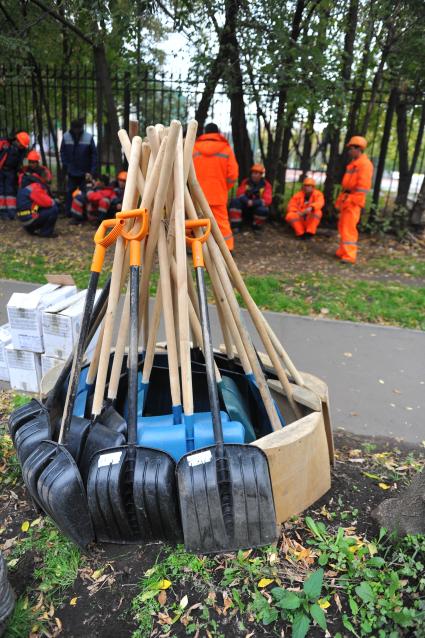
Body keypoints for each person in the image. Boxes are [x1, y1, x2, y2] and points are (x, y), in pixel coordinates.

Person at [193, 123, 238, 250]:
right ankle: (227, 247)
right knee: (221, 222)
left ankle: (196, 247)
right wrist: (224, 187)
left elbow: (187, 171)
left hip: (198, 194)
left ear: (205, 133)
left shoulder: (194, 148)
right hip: (218, 193)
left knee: (197, 220)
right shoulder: (226, 149)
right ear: (217, 132)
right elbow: (233, 174)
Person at [335, 136, 374, 264]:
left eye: (351, 149)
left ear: (358, 149)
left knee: (349, 228)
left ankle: (349, 255)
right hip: (348, 199)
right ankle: (343, 251)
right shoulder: (354, 164)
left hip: (352, 202)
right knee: (343, 227)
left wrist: (352, 201)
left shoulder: (364, 165)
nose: (349, 151)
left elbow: (363, 187)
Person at [60, 118, 97, 217]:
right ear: (72, 128)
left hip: (85, 172)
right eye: (75, 128)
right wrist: (66, 165)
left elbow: (94, 155)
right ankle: (68, 213)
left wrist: (91, 172)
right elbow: (62, 152)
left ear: (81, 128)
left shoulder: (88, 137)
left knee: (84, 193)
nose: (77, 130)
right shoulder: (66, 136)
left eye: (78, 128)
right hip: (71, 171)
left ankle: (83, 214)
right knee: (69, 192)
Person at [16, 166, 59, 237]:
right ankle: (46, 232)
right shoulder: (36, 187)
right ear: (43, 177)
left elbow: (36, 204)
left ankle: (31, 228)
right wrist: (55, 201)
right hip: (29, 218)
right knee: (53, 209)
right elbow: (49, 203)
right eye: (47, 177)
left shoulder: (30, 183)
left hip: (24, 217)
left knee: (40, 207)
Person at [229, 163, 272, 233]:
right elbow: (239, 194)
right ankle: (235, 226)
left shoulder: (266, 185)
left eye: (256, 173)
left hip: (257, 207)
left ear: (261, 175)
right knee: (235, 201)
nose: (253, 175)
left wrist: (253, 203)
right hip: (245, 205)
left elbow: (267, 200)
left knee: (263, 209)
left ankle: (257, 226)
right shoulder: (246, 182)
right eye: (252, 173)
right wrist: (247, 201)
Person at [0, 131, 30, 219]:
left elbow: (25, 162)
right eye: (21, 145)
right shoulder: (5, 144)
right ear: (17, 141)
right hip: (1, 170)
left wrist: (24, 171)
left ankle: (11, 212)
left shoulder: (23, 151)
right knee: (1, 192)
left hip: (11, 172)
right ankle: (2, 212)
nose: (22, 147)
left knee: (10, 192)